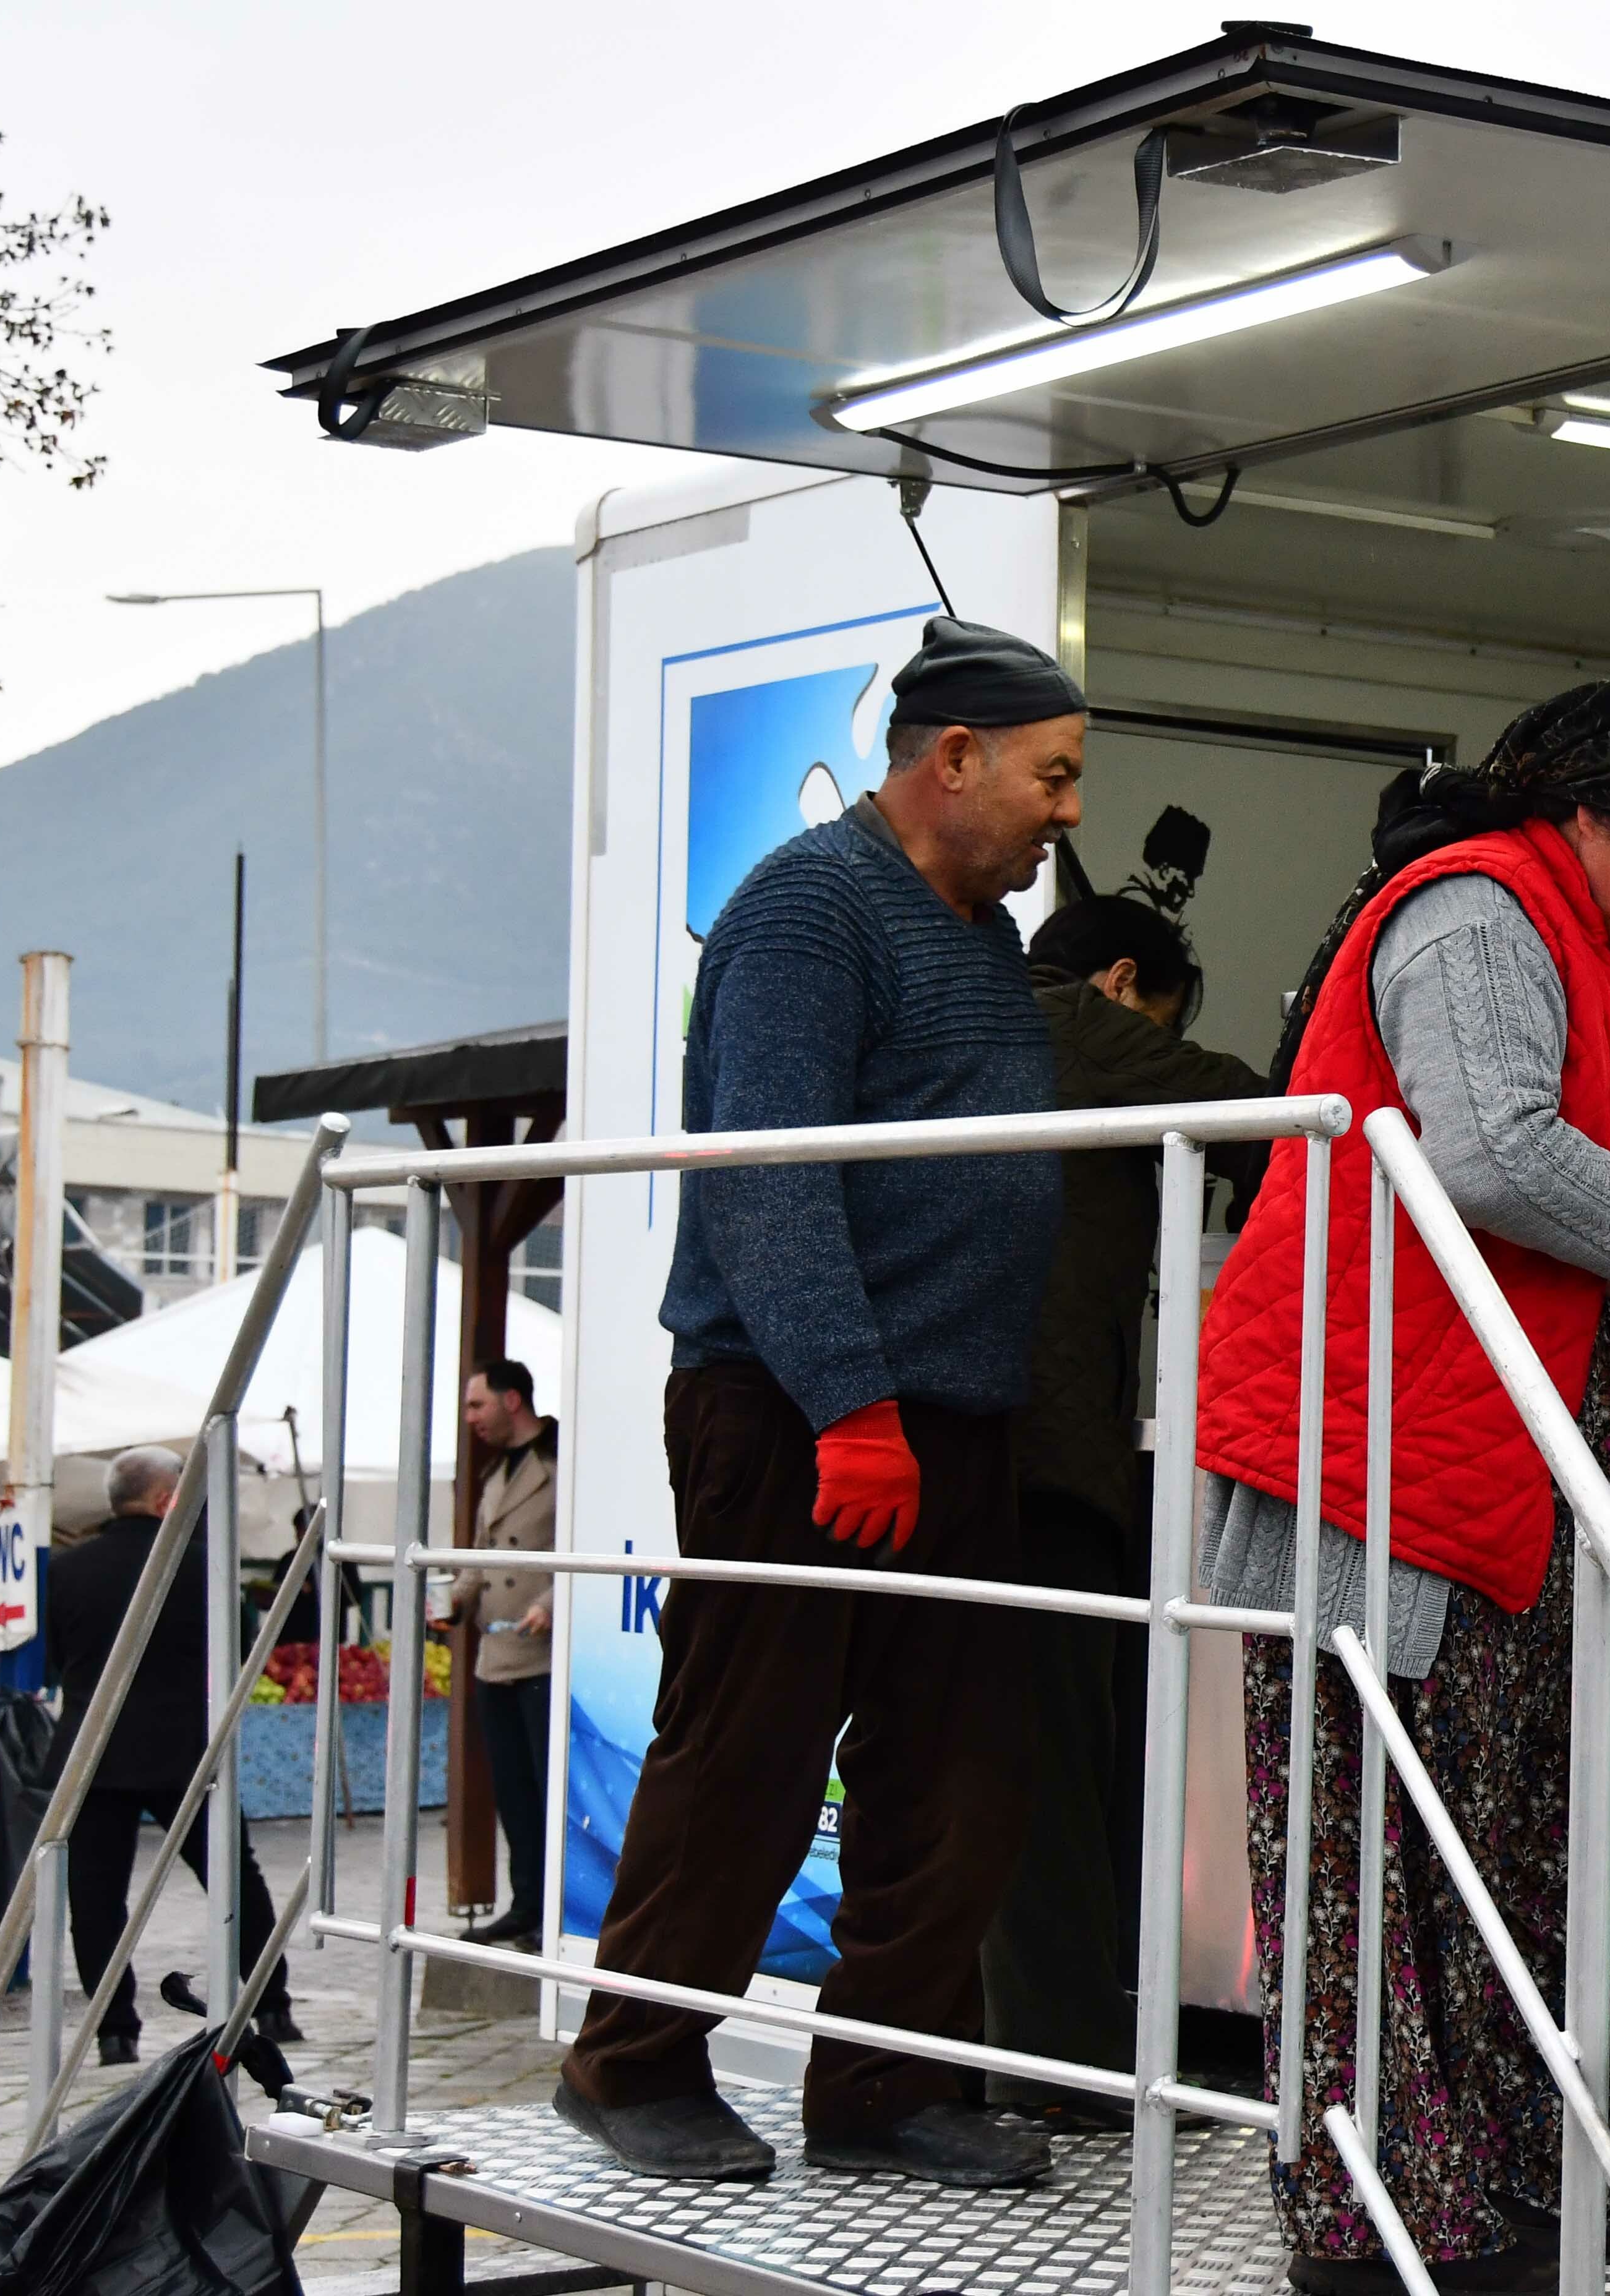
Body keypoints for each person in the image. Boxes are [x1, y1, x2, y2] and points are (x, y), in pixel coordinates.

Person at [1201, 673, 1610, 2296]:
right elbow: (1493, 1152)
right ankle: (1379, 2205)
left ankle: (1539, 2145)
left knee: (1525, 1831)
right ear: (1584, 816)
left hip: (1487, 1459)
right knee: (1365, 1844)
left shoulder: (1569, 934)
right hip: (1366, 1454)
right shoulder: (1473, 916)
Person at [555, 615, 1079, 2191]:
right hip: (798, 1408)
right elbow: (763, 1172)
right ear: (953, 758)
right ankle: (631, 2061)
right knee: (748, 1750)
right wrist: (849, 1402)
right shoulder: (805, 910)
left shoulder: (981, 931)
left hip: (956, 1414)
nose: (1068, 811)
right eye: (1052, 777)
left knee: (957, 1765)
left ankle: (884, 2085)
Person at [981, 888, 1265, 2127]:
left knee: (963, 1759)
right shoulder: (1081, 1028)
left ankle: (958, 2050)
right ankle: (1071, 2065)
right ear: (1121, 982)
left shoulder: (961, 1019)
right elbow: (1265, 1109)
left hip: (951, 1441)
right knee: (1057, 1762)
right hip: (1049, 1452)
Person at [52, 1446, 297, 2066]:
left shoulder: (66, 1570)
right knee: (232, 1878)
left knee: (95, 1895)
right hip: (185, 1749)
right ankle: (271, 2004)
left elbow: (57, 1655)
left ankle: (114, 2029)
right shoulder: (203, 1569)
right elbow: (240, 1650)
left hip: (94, 1753)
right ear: (167, 1500)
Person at [453, 1358, 557, 1950]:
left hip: (541, 1655)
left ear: (511, 1400)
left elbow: (584, 1545)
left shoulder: (560, 1461)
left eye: (477, 1405)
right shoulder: (496, 1472)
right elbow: (482, 1552)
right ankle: (526, 1903)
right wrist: (455, 1598)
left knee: (547, 1790)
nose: (472, 1419)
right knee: (514, 1792)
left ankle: (553, 1909)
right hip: (496, 1655)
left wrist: (553, 1600)